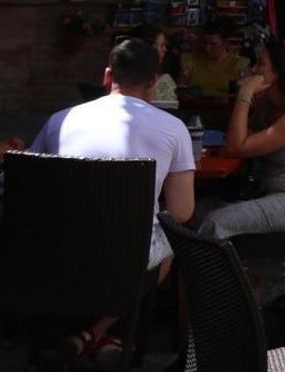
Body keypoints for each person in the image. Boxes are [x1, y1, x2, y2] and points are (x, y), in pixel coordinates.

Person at [31, 37, 192, 367]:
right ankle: (98, 331)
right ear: (152, 82)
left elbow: (34, 182)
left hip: (54, 250)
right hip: (126, 257)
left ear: (107, 76)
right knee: (169, 244)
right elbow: (181, 211)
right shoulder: (173, 129)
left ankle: (86, 334)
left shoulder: (59, 119)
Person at [194, 41, 285, 240]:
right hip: (273, 192)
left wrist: (244, 94)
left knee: (215, 222)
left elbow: (235, 148)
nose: (254, 69)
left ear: (281, 71)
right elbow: (239, 137)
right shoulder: (272, 105)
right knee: (192, 211)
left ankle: (214, 272)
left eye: (261, 64)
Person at [180, 21, 249, 97]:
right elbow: (180, 90)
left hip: (225, 107)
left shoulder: (238, 64)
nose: (207, 48)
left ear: (225, 43)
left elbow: (245, 95)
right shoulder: (190, 61)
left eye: (213, 44)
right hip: (194, 106)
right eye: (204, 43)